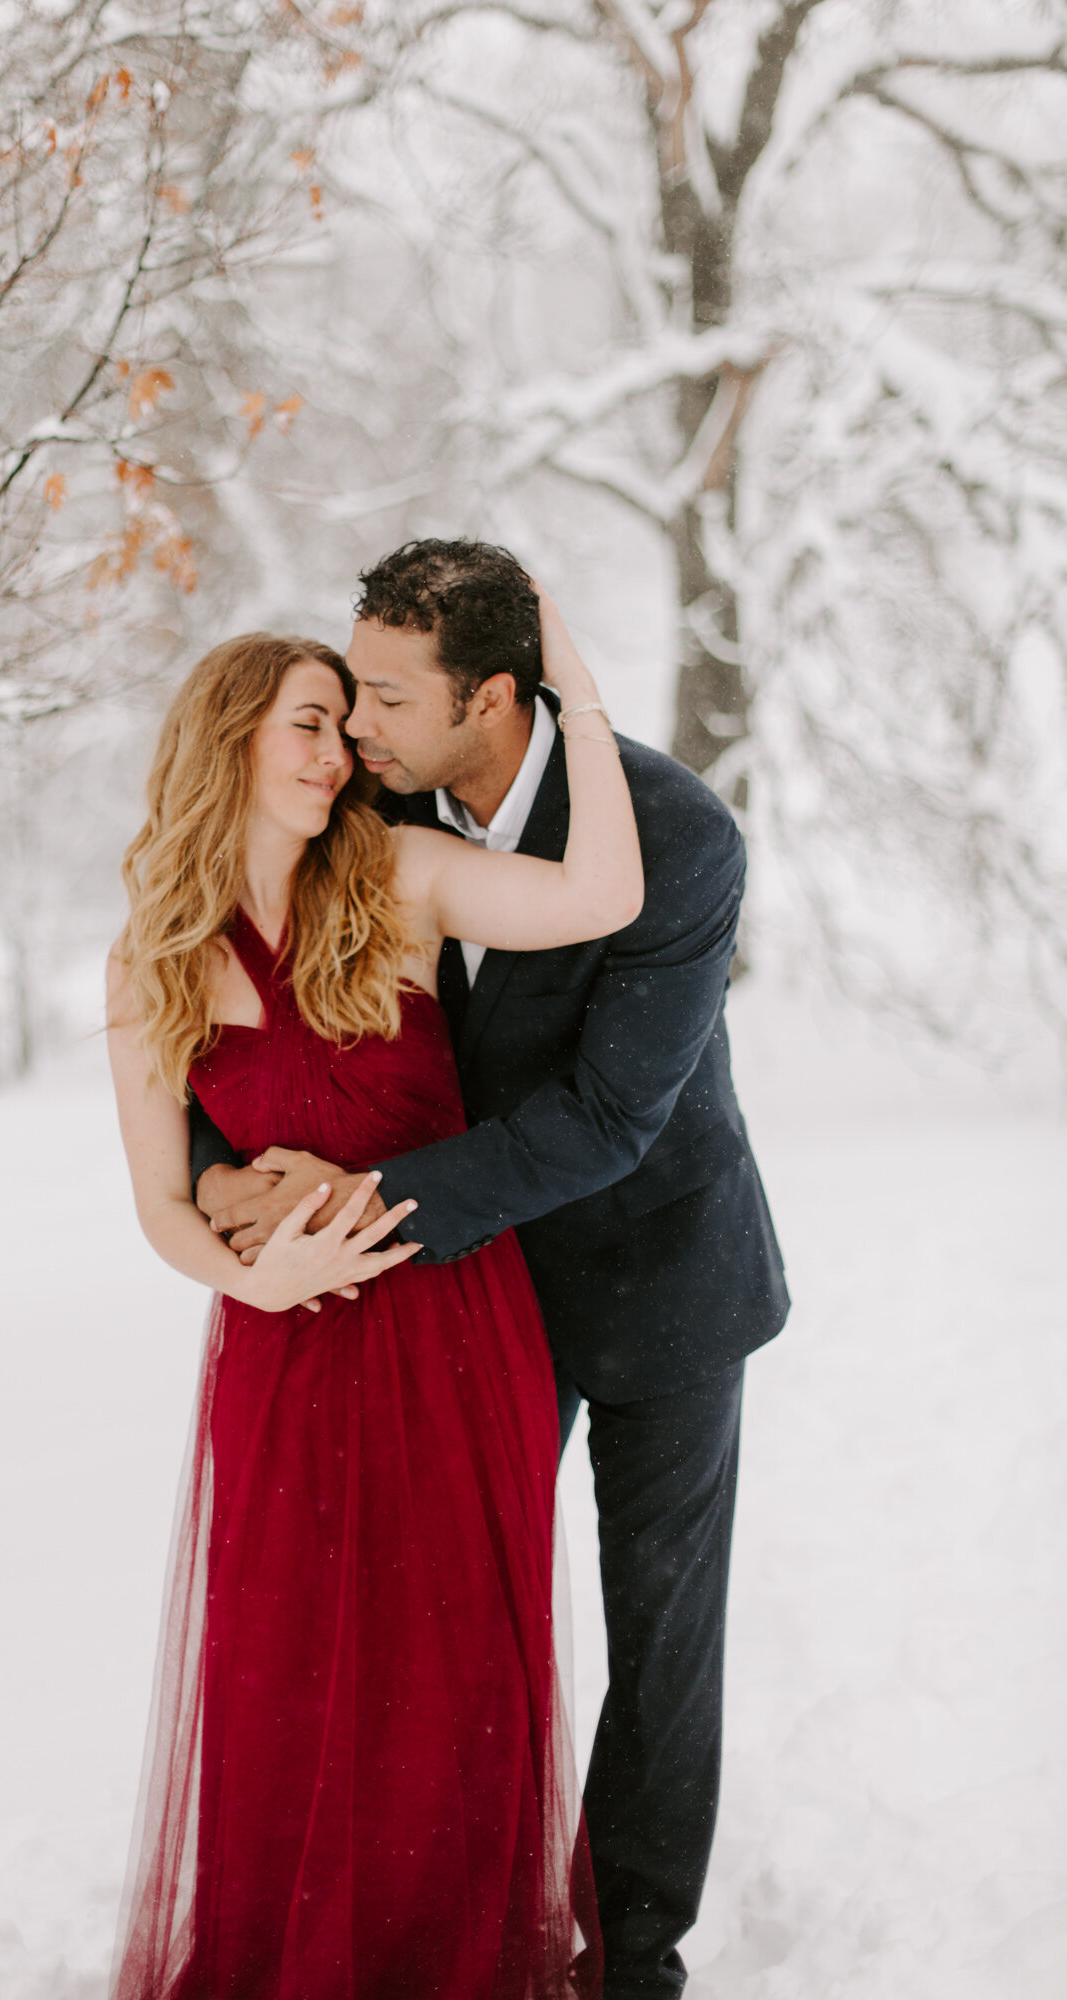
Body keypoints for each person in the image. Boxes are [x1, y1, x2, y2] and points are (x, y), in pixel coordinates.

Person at [195, 540, 790, 2000]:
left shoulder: (670, 835)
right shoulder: (372, 808)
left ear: (495, 696)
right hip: (460, 1299)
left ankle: (633, 1952)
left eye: (387, 695)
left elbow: (604, 1115)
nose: (359, 722)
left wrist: (357, 1199)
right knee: (442, 1617)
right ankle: (430, 1914)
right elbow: (244, 1015)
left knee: (658, 1634)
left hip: (660, 1278)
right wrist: (219, 1177)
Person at [105, 598, 642, 2000]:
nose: (338, 750)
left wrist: (574, 694)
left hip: (452, 1332)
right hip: (279, 1353)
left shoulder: (397, 878)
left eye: (344, 726)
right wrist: (252, 1270)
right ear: (230, 736)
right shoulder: (152, 958)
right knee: (283, 1680)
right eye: (307, 722)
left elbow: (598, 902)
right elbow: (161, 1205)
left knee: (449, 1678)